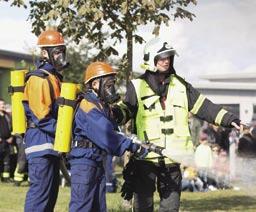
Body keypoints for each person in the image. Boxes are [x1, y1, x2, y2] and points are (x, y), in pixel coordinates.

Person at [112, 37, 242, 211]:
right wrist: (112, 114)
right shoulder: (137, 86)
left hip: (173, 159)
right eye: (162, 57)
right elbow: (125, 109)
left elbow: (205, 107)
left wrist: (230, 119)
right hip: (144, 157)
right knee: (143, 207)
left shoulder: (181, 86)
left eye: (169, 57)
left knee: (171, 207)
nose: (166, 60)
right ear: (151, 58)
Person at [68, 62, 148, 212]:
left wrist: (135, 141)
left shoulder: (101, 106)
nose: (112, 88)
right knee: (82, 207)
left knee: (98, 207)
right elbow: (107, 135)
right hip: (84, 164)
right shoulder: (88, 106)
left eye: (113, 84)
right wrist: (133, 146)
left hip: (96, 161)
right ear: (95, 83)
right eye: (108, 84)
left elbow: (116, 131)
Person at [23, 29, 69, 212]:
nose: (60, 56)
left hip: (51, 146)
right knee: (40, 197)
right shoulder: (38, 78)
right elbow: (41, 116)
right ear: (44, 53)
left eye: (61, 51)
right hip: (41, 145)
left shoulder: (54, 78)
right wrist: (65, 133)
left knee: (50, 197)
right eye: (56, 52)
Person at [0, 98, 13, 183]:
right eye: (1, 104)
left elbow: (12, 127)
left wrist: (11, 137)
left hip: (7, 141)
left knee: (6, 160)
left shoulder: (7, 116)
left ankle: (6, 178)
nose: (3, 106)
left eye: (4, 104)